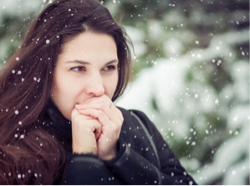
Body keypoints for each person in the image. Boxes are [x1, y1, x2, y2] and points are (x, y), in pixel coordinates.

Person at [0, 0, 198, 185]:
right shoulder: (9, 150)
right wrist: (85, 159)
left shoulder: (137, 126)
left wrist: (118, 156)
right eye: (78, 69)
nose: (98, 88)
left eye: (108, 68)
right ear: (45, 73)